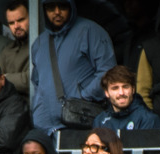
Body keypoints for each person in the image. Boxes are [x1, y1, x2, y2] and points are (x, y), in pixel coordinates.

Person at [30, 0, 116, 134]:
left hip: (81, 121)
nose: (57, 12)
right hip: (46, 128)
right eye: (51, 7)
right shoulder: (39, 43)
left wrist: (83, 97)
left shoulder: (90, 31)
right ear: (44, 10)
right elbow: (37, 83)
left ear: (71, 6)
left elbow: (108, 72)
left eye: (62, 6)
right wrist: (39, 112)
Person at [92, 65, 160, 131]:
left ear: (133, 89)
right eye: (115, 88)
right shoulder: (99, 121)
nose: (121, 93)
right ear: (106, 93)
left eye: (125, 87)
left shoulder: (148, 119)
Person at [0, 1, 31, 90]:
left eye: (20, 20)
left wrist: (4, 79)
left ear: (31, 18)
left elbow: (32, 78)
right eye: (11, 23)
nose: (16, 26)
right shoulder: (7, 51)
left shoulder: (41, 45)